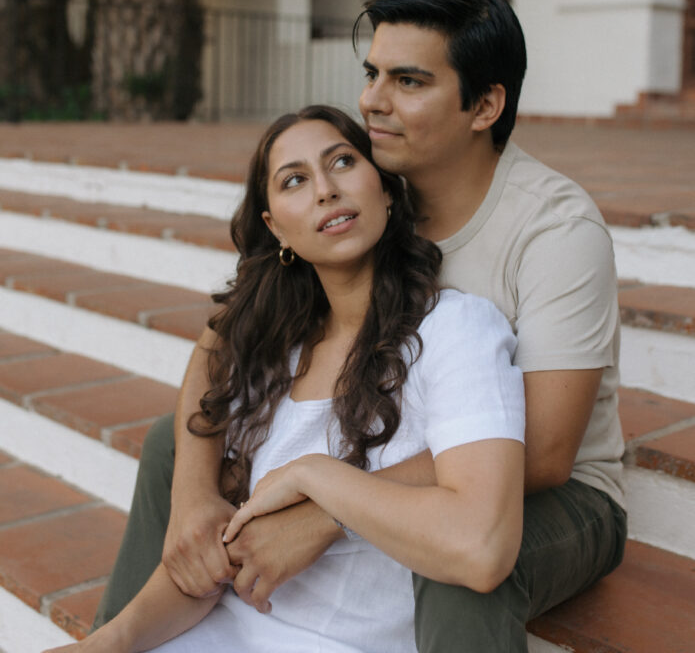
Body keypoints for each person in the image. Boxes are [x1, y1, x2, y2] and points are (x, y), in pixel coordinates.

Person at [93, 0, 626, 652]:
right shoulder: (368, 182)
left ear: (484, 104)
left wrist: (329, 509)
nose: (371, 101)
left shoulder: (553, 230)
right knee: (183, 440)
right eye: (371, 73)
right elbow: (218, 342)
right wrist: (194, 500)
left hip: (561, 495)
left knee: (458, 564)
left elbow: (547, 452)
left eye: (407, 82)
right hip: (410, 450)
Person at [46, 105, 526, 652]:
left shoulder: (455, 330)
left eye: (343, 162)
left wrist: (315, 477)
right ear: (276, 227)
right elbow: (215, 562)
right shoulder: (275, 352)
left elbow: (481, 547)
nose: (325, 190)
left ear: (386, 190)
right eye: (294, 180)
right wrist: (110, 643)